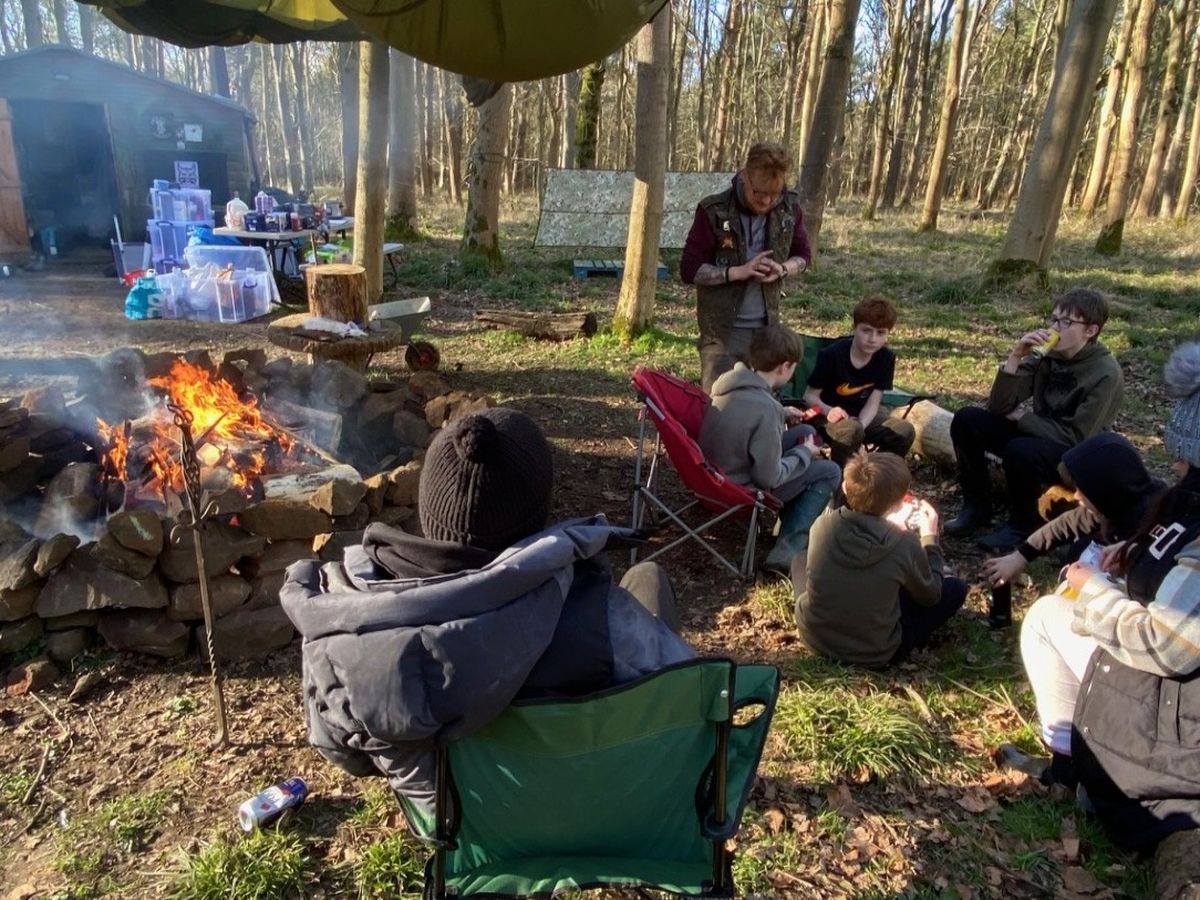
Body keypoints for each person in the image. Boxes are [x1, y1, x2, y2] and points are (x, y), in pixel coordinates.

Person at [280, 407, 694, 828]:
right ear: (539, 511)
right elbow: (687, 705)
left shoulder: (344, 638)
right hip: (603, 815)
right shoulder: (606, 621)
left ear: (428, 512)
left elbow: (345, 754)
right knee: (647, 578)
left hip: (468, 833)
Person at [998, 340, 1200, 849]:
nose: (1176, 467)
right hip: (1168, 701)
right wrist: (1136, 553)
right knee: (1051, 612)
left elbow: (1170, 642)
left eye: (1184, 460)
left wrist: (1094, 594)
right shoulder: (1175, 508)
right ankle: (1076, 762)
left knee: (1051, 615)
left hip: (1178, 727)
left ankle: (1089, 772)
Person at [946, 288, 1124, 552]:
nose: (1055, 328)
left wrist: (1023, 418)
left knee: (1021, 449)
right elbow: (999, 405)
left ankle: (1021, 525)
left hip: (1075, 456)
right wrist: (1016, 355)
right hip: (1040, 436)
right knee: (967, 419)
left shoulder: (1105, 373)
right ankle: (977, 506)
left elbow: (1077, 438)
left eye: (1066, 322)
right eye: (1054, 319)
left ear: (1090, 331)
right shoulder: (1047, 355)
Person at [794, 449, 968, 667]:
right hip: (874, 653)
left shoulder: (822, 526)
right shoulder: (903, 543)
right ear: (898, 505)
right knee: (955, 589)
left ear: (845, 488)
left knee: (800, 560)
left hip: (815, 638)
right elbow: (931, 596)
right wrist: (930, 538)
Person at [699, 324, 842, 575]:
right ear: (784, 367)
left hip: (714, 473)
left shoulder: (728, 385)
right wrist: (804, 453)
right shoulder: (767, 409)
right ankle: (786, 551)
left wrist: (782, 414)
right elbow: (769, 478)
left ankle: (787, 521)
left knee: (804, 431)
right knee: (829, 470)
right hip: (741, 489)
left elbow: (747, 417)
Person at [680, 141, 812, 393]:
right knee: (720, 403)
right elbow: (689, 269)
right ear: (744, 176)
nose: (766, 201)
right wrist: (738, 272)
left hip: (767, 332)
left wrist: (783, 269)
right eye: (759, 193)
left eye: (774, 194)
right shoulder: (714, 210)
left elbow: (804, 255)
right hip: (722, 333)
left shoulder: (789, 208)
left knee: (762, 403)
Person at [981, 432, 1164, 592]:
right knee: (1078, 550)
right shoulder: (1115, 503)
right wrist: (1019, 557)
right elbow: (1066, 524)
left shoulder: (1154, 520)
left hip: (1142, 584)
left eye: (1081, 490)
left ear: (1104, 491)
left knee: (1082, 554)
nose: (1075, 496)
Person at [802, 294, 917, 464]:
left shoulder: (886, 358)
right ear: (855, 328)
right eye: (866, 331)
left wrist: (862, 425)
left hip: (861, 417)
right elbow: (809, 396)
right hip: (828, 417)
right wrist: (829, 410)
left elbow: (873, 402)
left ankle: (878, 472)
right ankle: (840, 474)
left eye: (880, 333)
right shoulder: (832, 355)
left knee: (904, 431)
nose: (872, 339)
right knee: (851, 430)